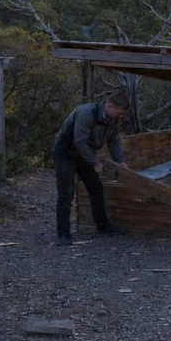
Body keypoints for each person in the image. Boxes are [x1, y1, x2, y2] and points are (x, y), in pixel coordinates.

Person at [53, 91, 131, 245]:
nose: (120, 116)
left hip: (85, 154)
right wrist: (95, 163)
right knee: (66, 194)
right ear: (109, 106)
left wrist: (120, 162)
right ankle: (63, 234)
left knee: (96, 189)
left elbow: (113, 140)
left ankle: (103, 227)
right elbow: (79, 141)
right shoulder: (86, 113)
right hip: (65, 153)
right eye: (119, 112)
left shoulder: (112, 120)